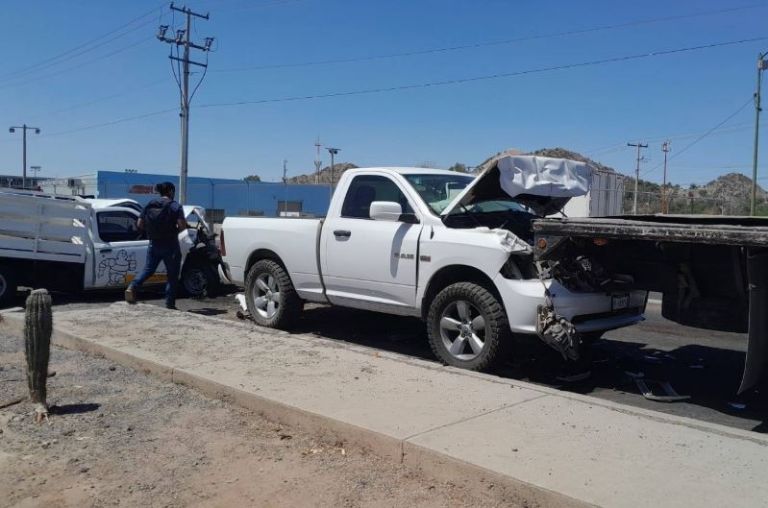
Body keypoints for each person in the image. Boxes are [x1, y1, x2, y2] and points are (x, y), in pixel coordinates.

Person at [125, 181, 187, 309]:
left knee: (148, 270)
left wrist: (151, 232)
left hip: (154, 244)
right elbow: (182, 226)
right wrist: (174, 231)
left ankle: (133, 286)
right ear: (170, 191)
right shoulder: (175, 206)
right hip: (170, 245)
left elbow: (139, 224)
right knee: (172, 275)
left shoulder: (150, 204)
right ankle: (169, 304)